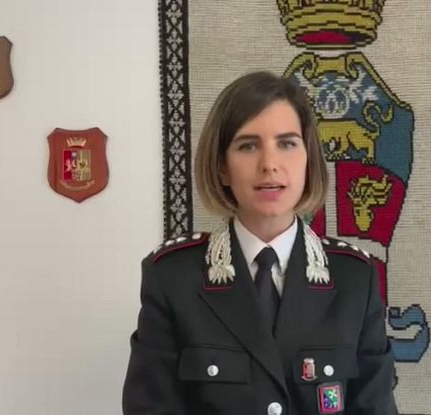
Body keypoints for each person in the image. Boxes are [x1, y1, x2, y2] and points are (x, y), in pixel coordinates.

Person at [122, 71, 398, 415]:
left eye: (287, 143)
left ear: (309, 159)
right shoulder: (173, 277)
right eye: (248, 146)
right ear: (222, 167)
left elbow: (374, 407)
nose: (269, 165)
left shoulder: (355, 277)